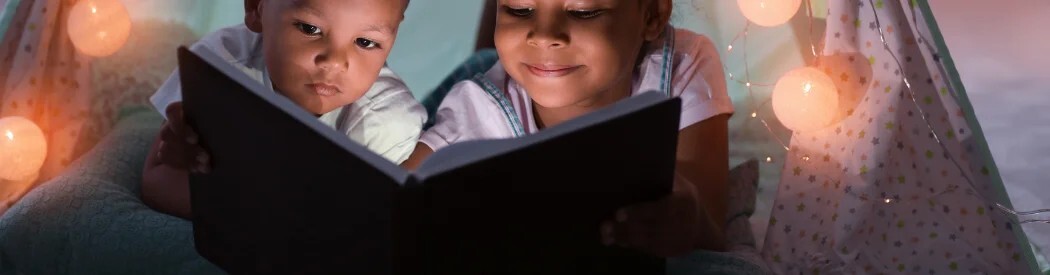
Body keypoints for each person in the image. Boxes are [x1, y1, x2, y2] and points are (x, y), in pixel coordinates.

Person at [403, 0, 734, 257]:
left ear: (652, 16)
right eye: (520, 9)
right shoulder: (477, 111)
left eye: (582, 11)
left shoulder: (682, 66)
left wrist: (691, 221)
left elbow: (712, 228)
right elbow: (390, 204)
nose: (545, 35)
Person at [141, 0, 425, 219]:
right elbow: (156, 178)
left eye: (365, 42)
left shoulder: (385, 123)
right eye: (310, 28)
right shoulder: (221, 65)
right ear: (256, 7)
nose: (335, 62)